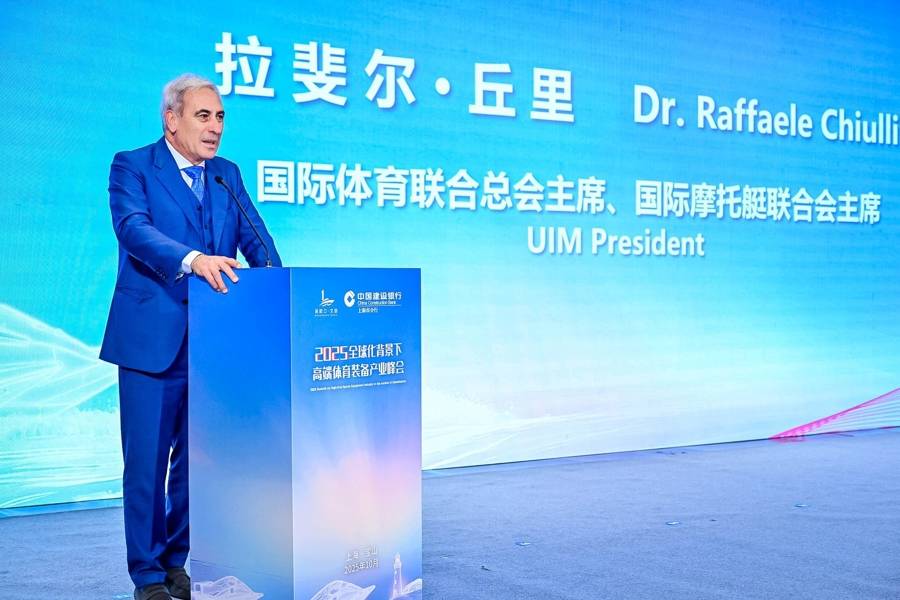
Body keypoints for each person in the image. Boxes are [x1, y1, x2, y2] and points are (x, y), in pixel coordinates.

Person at [99, 74, 282, 600]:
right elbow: (133, 230)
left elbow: (257, 240)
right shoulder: (133, 166)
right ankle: (147, 574)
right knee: (147, 464)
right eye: (203, 116)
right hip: (150, 342)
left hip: (211, 345)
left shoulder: (226, 175)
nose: (215, 127)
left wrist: (278, 288)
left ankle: (177, 561)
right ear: (171, 120)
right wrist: (194, 259)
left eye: (220, 116)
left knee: (195, 466)